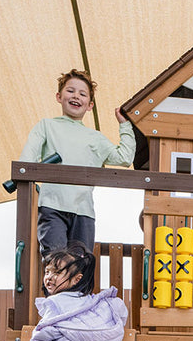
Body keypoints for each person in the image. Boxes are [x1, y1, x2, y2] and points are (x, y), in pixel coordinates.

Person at [20, 69, 135, 256]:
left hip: (83, 211)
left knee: (81, 265)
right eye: (70, 91)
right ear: (59, 96)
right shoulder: (47, 126)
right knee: (57, 260)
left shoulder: (95, 138)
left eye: (82, 94)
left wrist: (124, 125)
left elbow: (124, 157)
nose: (76, 96)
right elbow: (26, 161)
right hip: (52, 206)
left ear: (89, 105)